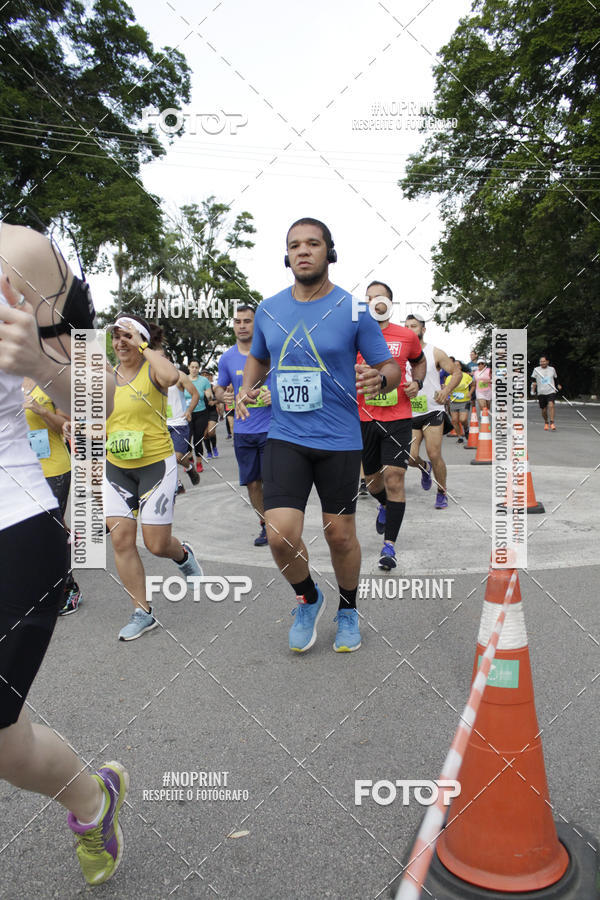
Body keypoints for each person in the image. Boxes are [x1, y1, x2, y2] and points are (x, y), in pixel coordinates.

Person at [0, 222, 127, 885]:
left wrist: (40, 365)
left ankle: (86, 796)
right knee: (8, 748)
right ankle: (89, 795)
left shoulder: (17, 253)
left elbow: (102, 395)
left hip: (9, 522)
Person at [237, 218, 404, 653]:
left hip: (339, 439)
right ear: (287, 255)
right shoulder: (270, 308)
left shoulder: (353, 309)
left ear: (329, 252)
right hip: (286, 435)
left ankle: (348, 610)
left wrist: (379, 380)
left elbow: (389, 366)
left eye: (313, 244)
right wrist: (246, 388)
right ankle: (308, 597)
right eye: (295, 245)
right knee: (279, 533)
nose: (303, 251)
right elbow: (257, 357)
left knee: (340, 534)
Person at [104, 313, 203, 641]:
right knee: (121, 539)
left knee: (156, 544)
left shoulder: (153, 368)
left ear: (141, 339)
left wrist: (144, 346)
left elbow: (172, 375)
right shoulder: (107, 373)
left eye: (127, 336)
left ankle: (182, 554)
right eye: (117, 336)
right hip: (115, 466)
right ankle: (142, 611)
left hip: (155, 465)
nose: (121, 342)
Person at [357, 284, 426, 570]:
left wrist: (417, 383)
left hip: (398, 417)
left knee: (395, 477)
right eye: (369, 298)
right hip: (364, 418)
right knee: (373, 482)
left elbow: (419, 363)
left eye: (379, 297)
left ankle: (389, 547)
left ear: (389, 302)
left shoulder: (406, 335)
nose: (374, 301)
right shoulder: (355, 335)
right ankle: (383, 504)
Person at [22, 377, 83, 613]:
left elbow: (66, 427)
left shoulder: (48, 382)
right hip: (20, 470)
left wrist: (39, 410)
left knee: (47, 530)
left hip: (53, 469)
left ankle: (69, 587)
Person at [215, 304, 271, 546]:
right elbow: (219, 387)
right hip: (243, 430)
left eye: (247, 321)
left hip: (271, 428)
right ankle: (265, 526)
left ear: (255, 323)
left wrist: (274, 395)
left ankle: (280, 524)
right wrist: (222, 396)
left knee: (274, 480)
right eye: (238, 321)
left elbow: (286, 379)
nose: (242, 325)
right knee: (252, 483)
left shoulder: (270, 351)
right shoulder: (227, 358)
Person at [404, 315, 461, 509]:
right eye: (406, 326)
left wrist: (446, 390)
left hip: (432, 410)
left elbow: (457, 373)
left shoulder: (434, 352)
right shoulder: (401, 353)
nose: (410, 329)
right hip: (410, 413)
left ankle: (441, 492)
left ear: (423, 329)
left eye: (414, 326)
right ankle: (424, 467)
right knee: (409, 456)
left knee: (434, 453)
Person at [161, 351, 199, 493]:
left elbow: (195, 394)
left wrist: (189, 410)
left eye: (162, 357)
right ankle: (177, 484)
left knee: (177, 456)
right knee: (165, 456)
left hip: (179, 423)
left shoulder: (179, 376)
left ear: (168, 358)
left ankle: (189, 467)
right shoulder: (152, 377)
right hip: (161, 423)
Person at [185, 360, 212, 472]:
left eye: (196, 367)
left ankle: (199, 463)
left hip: (201, 413)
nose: (194, 369)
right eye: (192, 367)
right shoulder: (184, 379)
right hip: (187, 413)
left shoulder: (204, 380)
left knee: (197, 439)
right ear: (189, 368)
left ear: (199, 368)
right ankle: (190, 459)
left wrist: (209, 396)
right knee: (187, 439)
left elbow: (209, 394)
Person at [446, 359, 474, 443]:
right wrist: (448, 391)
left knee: (463, 419)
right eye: (454, 365)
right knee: (454, 420)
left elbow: (473, 385)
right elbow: (447, 388)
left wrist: (470, 393)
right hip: (453, 401)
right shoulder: (449, 377)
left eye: (458, 365)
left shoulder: (466, 376)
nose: (456, 367)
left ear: (461, 367)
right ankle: (460, 437)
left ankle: (466, 429)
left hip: (464, 401)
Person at [531, 356, 562, 430]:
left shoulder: (552, 369)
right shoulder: (536, 370)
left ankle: (552, 422)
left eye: (544, 361)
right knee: (544, 410)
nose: (542, 363)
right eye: (541, 361)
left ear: (547, 362)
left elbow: (555, 378)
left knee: (551, 405)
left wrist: (558, 384)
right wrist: (532, 390)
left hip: (551, 391)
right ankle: (546, 422)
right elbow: (533, 381)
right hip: (541, 392)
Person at [201, 368, 219, 459]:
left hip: (212, 412)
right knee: (205, 434)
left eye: (206, 374)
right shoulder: (197, 388)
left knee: (211, 432)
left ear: (209, 376)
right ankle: (209, 452)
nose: (205, 376)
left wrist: (214, 402)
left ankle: (214, 447)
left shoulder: (213, 387)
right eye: (203, 375)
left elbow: (220, 398)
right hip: (202, 412)